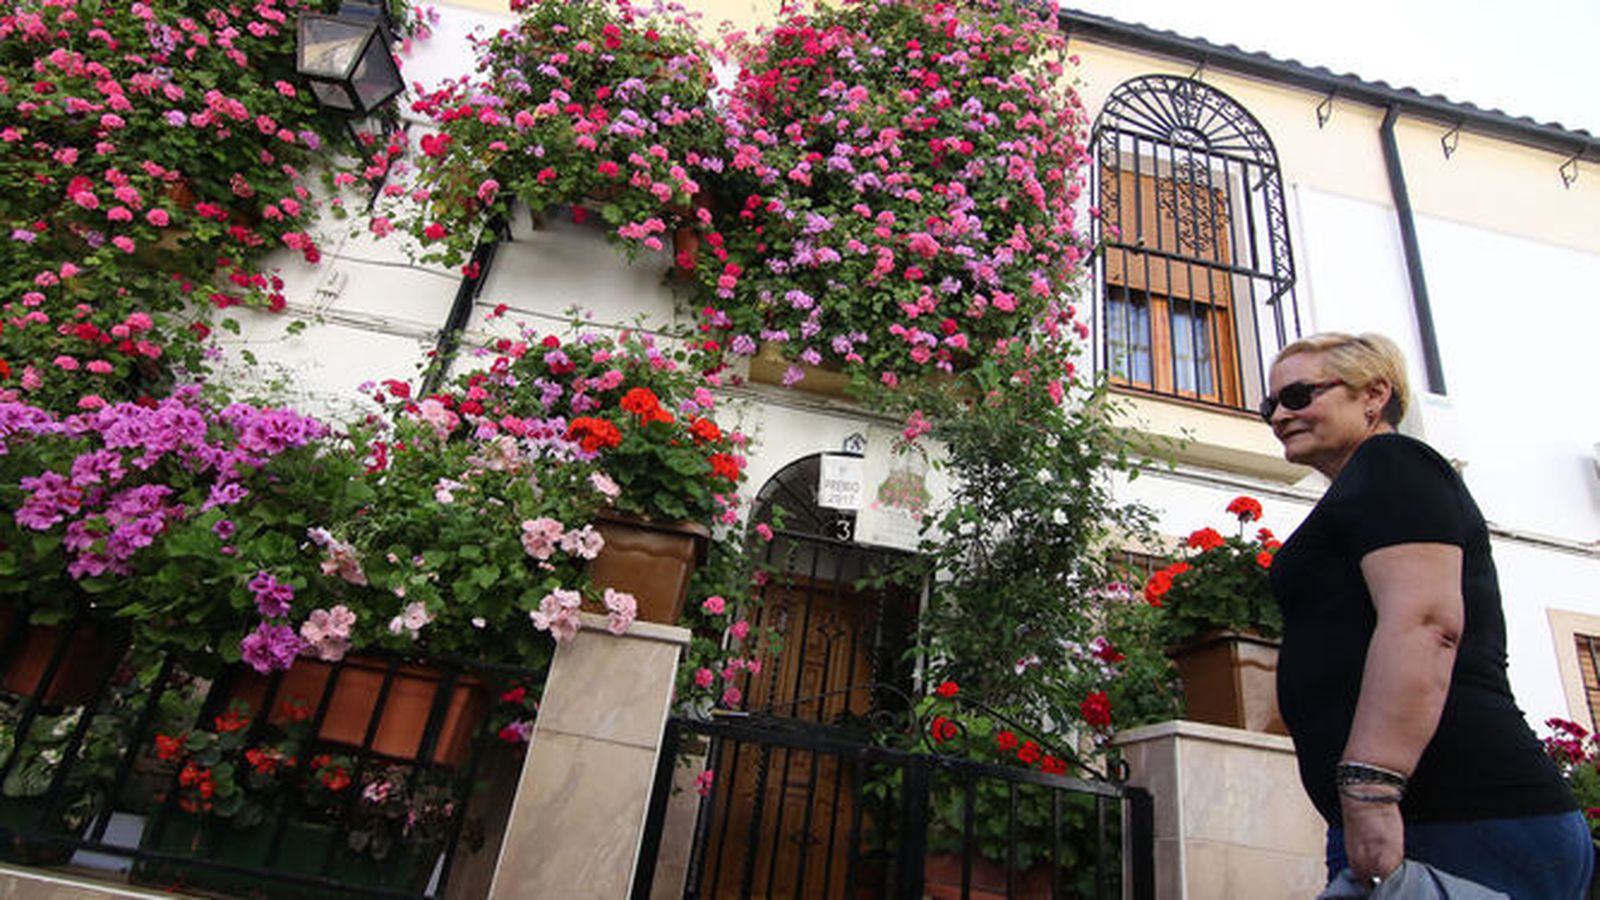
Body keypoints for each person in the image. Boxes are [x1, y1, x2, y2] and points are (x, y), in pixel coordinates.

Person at [1263, 332, 1591, 898]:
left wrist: (1371, 789)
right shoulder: (1368, 485)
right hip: (1423, 820)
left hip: (1460, 817)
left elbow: (1426, 622)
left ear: (1375, 394)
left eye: (1298, 395)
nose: (1278, 416)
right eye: (1270, 405)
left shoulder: (1394, 463)